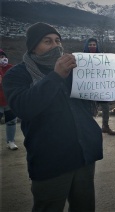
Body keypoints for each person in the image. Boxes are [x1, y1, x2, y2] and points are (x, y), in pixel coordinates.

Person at [2, 22, 103, 211]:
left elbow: (101, 95)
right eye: (47, 41)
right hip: (50, 159)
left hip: (83, 154)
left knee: (85, 207)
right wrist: (56, 76)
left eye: (58, 41)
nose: (55, 45)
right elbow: (23, 108)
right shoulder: (17, 75)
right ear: (33, 46)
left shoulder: (74, 70)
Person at [83, 37, 115, 135]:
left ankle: (105, 126)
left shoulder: (102, 57)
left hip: (100, 87)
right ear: (86, 46)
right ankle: (88, 128)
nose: (92, 47)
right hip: (88, 87)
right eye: (90, 45)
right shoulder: (82, 57)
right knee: (88, 109)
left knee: (105, 107)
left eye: (94, 45)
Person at [0, 48, 18, 150]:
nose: (2, 59)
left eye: (3, 57)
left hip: (9, 100)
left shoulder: (11, 68)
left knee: (11, 121)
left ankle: (11, 141)